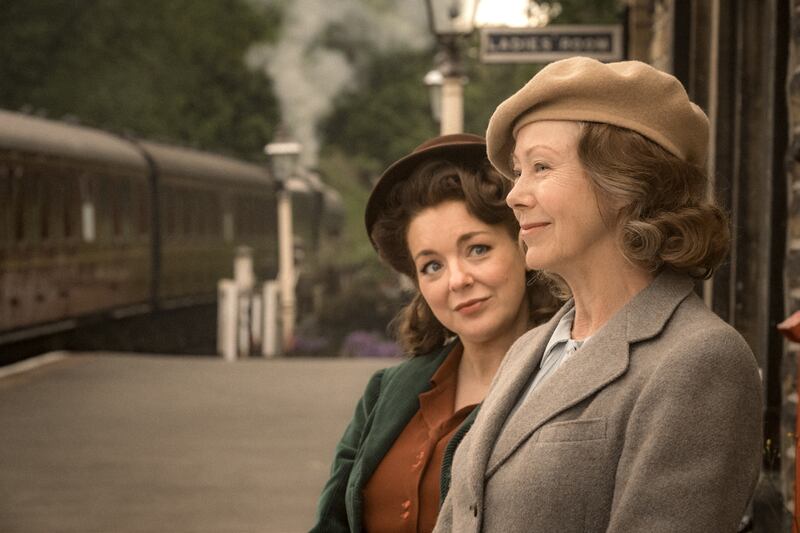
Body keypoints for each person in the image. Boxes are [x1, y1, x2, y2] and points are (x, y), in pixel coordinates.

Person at [434, 57, 763, 532]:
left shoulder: (700, 359)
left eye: (540, 167)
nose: (514, 195)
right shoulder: (530, 349)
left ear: (626, 183)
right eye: (517, 171)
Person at [311, 134, 559, 533]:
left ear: (523, 246)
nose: (457, 280)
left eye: (477, 249)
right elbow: (332, 522)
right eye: (431, 266)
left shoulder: (564, 385)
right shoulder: (386, 391)